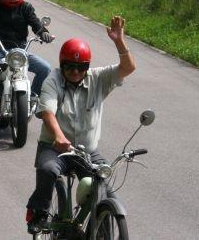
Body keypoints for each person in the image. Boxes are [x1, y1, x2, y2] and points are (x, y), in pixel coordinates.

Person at [25, 16, 137, 234]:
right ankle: (38, 212)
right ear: (62, 65)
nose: (75, 72)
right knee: (48, 170)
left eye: (81, 67)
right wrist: (58, 136)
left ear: (87, 66)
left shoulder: (97, 78)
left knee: (105, 187)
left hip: (86, 151)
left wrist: (119, 41)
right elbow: (47, 111)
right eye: (70, 67)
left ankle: (101, 228)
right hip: (55, 148)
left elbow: (128, 67)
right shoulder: (53, 80)